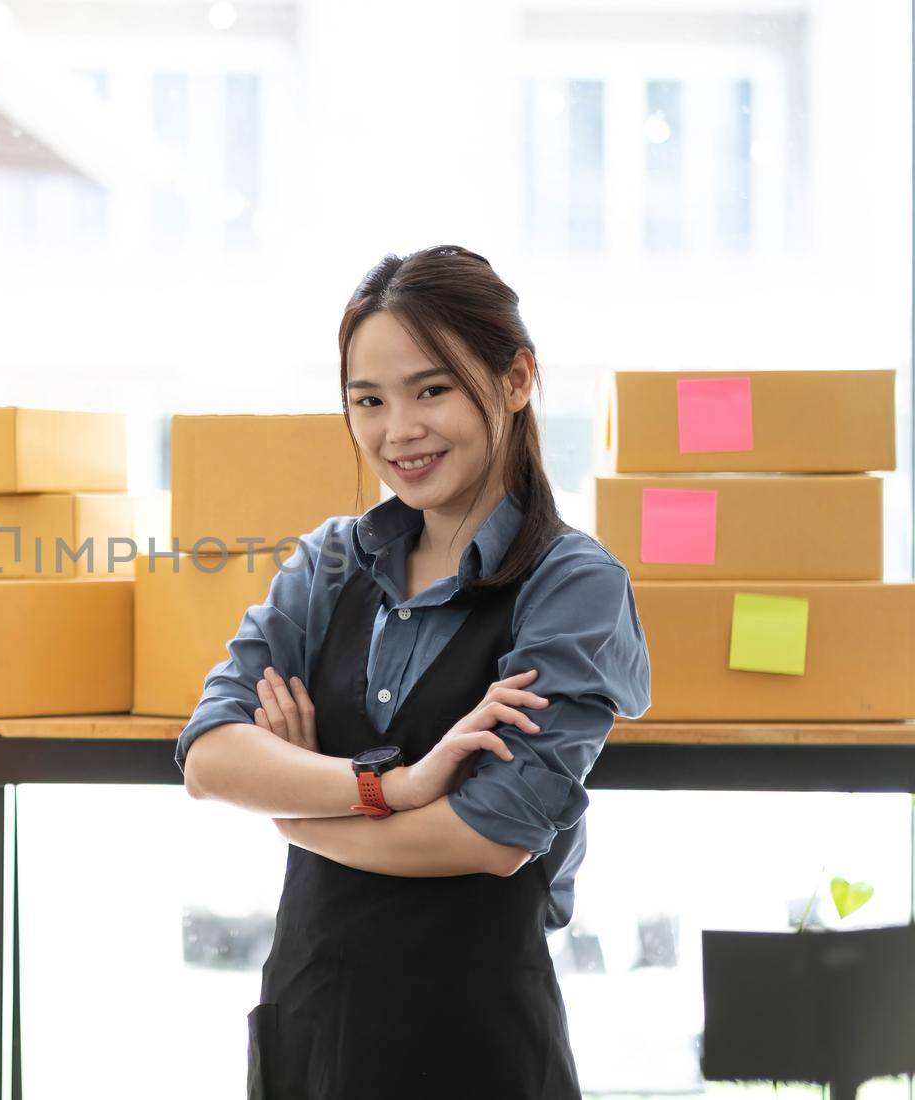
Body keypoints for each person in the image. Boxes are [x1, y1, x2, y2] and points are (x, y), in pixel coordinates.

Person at [176, 245, 652, 1099]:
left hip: (475, 1047)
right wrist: (390, 787)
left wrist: (293, 804)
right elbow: (210, 756)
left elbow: (490, 838)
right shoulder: (329, 564)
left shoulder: (572, 586)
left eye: (431, 390)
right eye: (369, 400)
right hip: (309, 1026)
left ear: (515, 380)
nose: (398, 431)